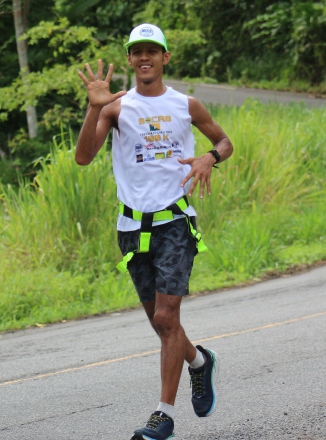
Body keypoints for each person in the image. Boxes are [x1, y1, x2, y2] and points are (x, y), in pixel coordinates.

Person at [75, 23, 233, 440]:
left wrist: (207, 159)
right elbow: (84, 157)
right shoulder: (116, 108)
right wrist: (94, 107)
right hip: (131, 228)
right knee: (161, 325)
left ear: (165, 58)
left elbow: (224, 141)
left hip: (175, 222)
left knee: (167, 316)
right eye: (137, 51)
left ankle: (163, 416)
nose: (145, 57)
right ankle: (199, 362)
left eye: (153, 51)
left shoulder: (187, 105)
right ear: (129, 59)